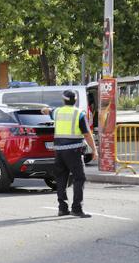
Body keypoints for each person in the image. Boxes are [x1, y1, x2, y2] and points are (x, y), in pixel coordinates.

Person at [41, 90, 98, 218]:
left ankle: (62, 208)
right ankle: (77, 208)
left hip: (59, 152)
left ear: (63, 100)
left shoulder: (58, 112)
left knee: (61, 179)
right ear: (75, 100)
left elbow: (47, 111)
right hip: (74, 151)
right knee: (79, 178)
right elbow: (87, 134)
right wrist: (94, 150)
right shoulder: (79, 114)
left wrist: (45, 109)